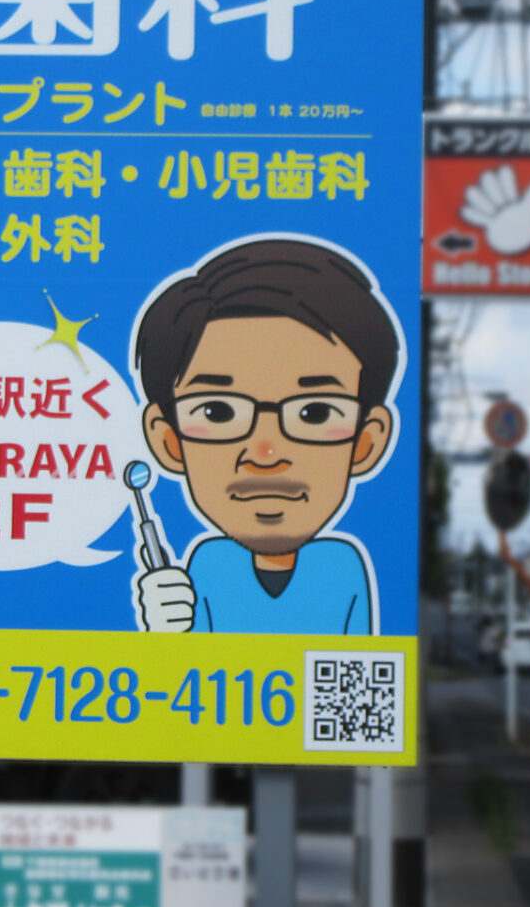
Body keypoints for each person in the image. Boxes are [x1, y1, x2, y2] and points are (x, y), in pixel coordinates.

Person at [131, 237, 401, 635]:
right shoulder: (208, 564)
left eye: (315, 412)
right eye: (218, 411)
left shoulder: (343, 567)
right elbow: (188, 677)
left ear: (366, 442)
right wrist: (167, 633)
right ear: (169, 441)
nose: (266, 452)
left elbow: (355, 664)